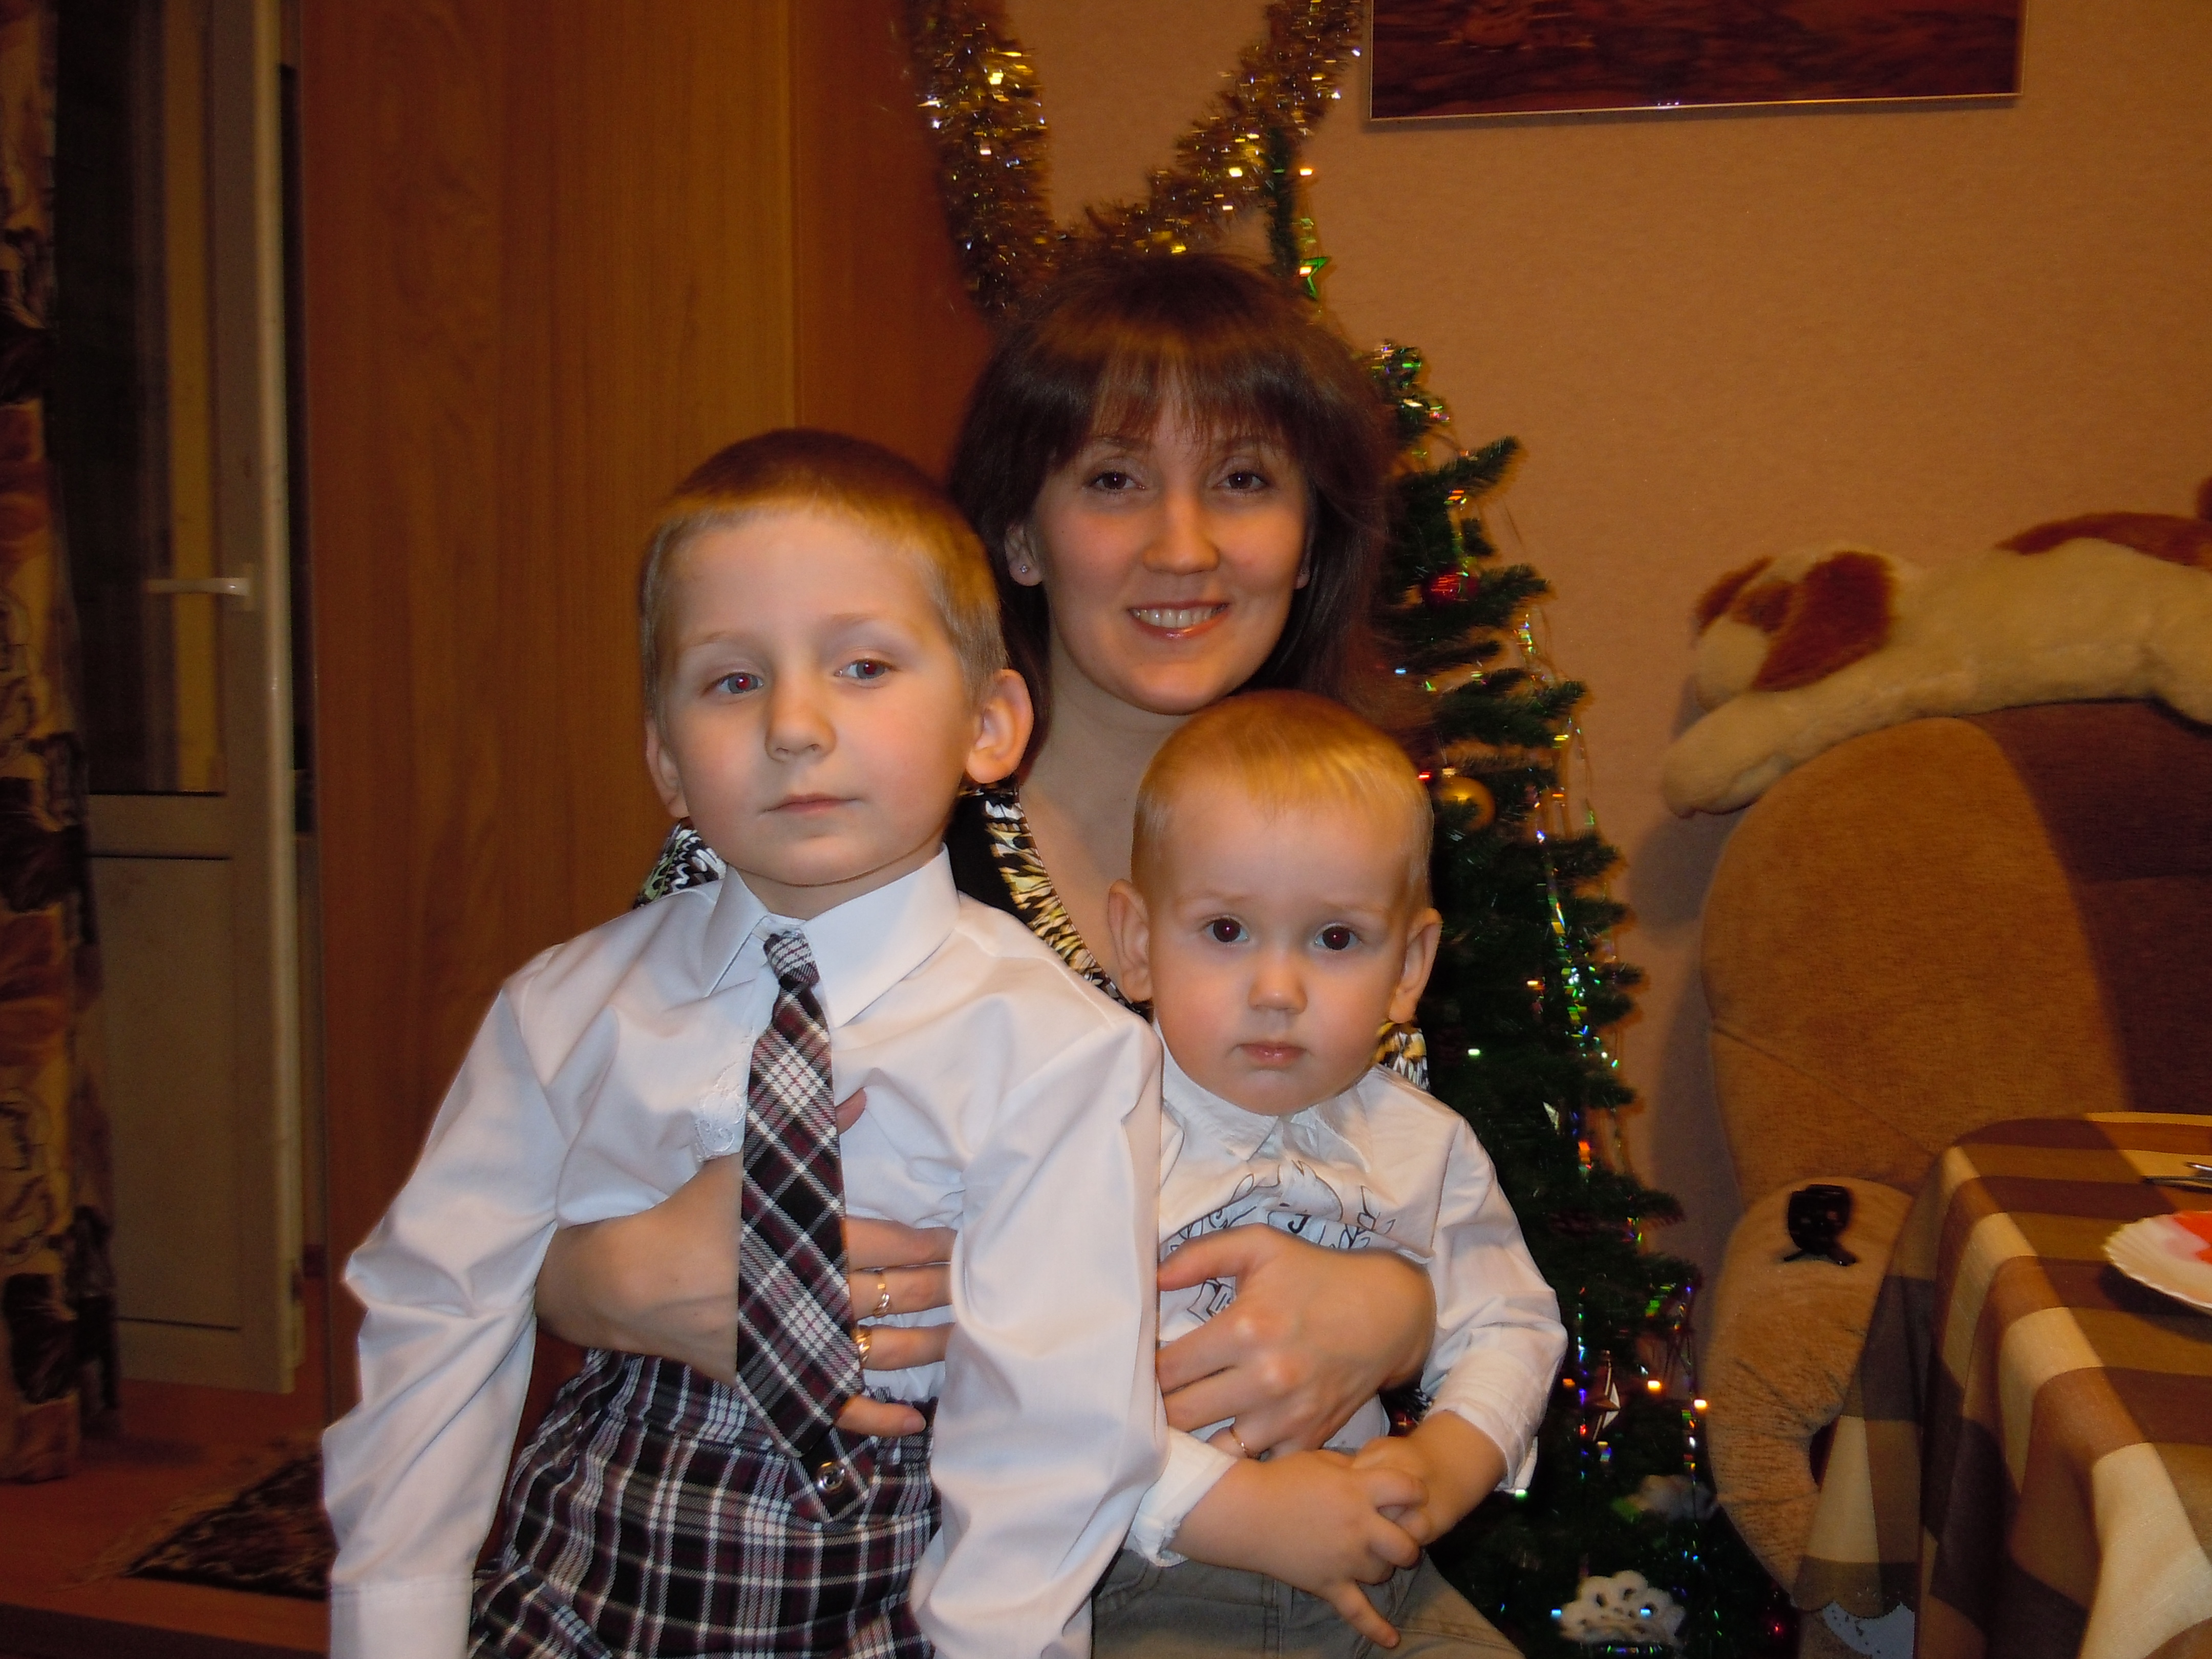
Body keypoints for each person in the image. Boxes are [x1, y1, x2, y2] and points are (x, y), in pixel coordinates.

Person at [539, 255, 1451, 1480]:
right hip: (871, 1534)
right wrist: (593, 1278)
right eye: (1115, 480)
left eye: (1243, 481)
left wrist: (1405, 1313)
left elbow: (1448, 1194)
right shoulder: (835, 816)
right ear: (1021, 535)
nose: (1183, 547)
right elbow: (537, 1169)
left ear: (1308, 540)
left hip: (1271, 1521)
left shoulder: (1367, 838)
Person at [322, 431, 1165, 1659]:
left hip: (882, 1601)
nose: (795, 726)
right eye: (731, 681)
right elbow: (436, 1312)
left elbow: (1059, 1430)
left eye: (863, 666)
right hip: (574, 1594)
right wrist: (395, 1628)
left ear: (988, 723)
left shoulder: (1057, 1051)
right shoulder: (565, 1011)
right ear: (667, 762)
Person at [1093, 691, 1565, 1656]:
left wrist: (1441, 1468)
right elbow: (1033, 1387)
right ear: (1139, 944)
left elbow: (1509, 1321)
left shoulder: (1426, 1145)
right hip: (1146, 1577)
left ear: (1410, 966)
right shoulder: (1085, 1130)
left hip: (1375, 1573)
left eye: (1336, 939)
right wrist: (1237, 1509)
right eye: (1227, 931)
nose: (1278, 991)